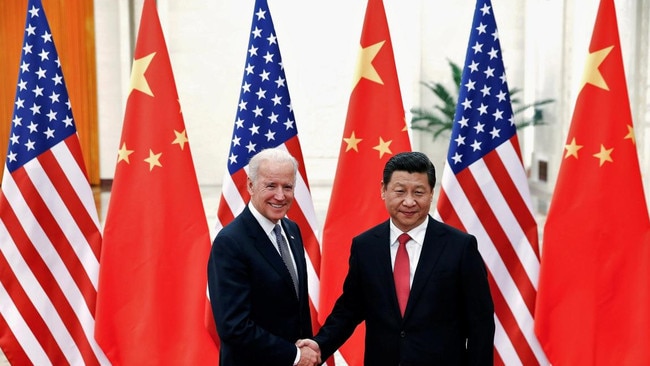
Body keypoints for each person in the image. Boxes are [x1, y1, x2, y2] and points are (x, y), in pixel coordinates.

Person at [299, 151, 495, 365]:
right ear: (384, 190)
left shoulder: (460, 247)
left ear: (431, 193)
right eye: (400, 191)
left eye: (419, 192)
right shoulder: (365, 246)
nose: (409, 202)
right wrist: (320, 345)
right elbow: (349, 309)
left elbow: (480, 324)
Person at [207, 148, 320, 366]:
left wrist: (307, 349)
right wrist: (295, 356)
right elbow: (234, 326)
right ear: (250, 185)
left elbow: (296, 305)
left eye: (288, 187)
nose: (280, 196)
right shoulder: (230, 242)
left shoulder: (292, 230)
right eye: (271, 186)